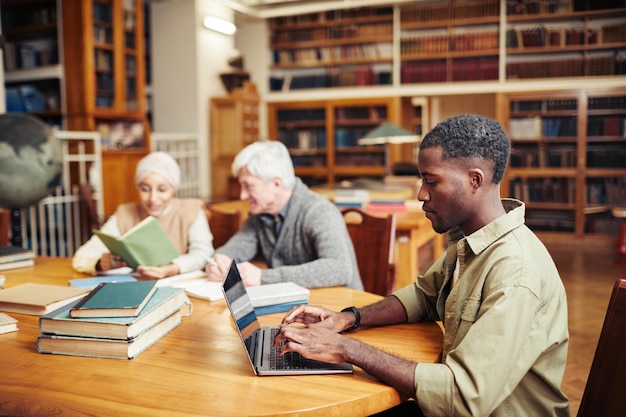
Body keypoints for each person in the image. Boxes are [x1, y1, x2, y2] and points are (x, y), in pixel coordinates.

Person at [273, 114, 570, 417]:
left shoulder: (514, 273)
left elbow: (462, 397)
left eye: (431, 181)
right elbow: (423, 295)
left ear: (474, 180)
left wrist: (346, 348)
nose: (421, 194)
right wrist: (347, 319)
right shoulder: (470, 241)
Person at [206, 140, 363, 290]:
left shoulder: (319, 211)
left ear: (276, 184)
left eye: (248, 186)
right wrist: (219, 260)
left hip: (341, 308)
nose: (242, 196)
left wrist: (263, 277)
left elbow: (339, 269)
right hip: (301, 306)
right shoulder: (260, 215)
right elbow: (236, 247)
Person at [73, 151, 214, 279]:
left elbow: (203, 253)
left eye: (162, 189)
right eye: (145, 189)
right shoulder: (125, 213)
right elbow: (82, 256)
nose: (153, 199)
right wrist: (100, 263)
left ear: (173, 188)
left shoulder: (191, 210)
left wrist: (173, 268)